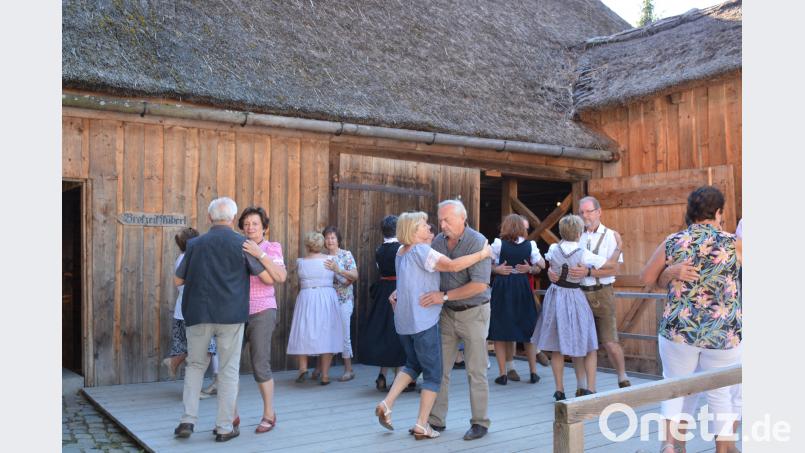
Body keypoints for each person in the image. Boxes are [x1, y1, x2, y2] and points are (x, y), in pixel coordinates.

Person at [641, 186, 742, 453]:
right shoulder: (734, 244)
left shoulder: (673, 241)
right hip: (723, 333)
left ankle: (670, 447)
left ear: (690, 211)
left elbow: (646, 279)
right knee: (720, 394)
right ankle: (723, 450)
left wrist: (669, 271)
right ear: (719, 212)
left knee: (674, 389)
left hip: (678, 332)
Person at [374, 211, 492, 440]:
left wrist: (402, 292)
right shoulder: (423, 250)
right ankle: (422, 424)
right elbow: (453, 266)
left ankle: (387, 403)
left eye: (441, 221)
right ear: (413, 230)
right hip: (424, 321)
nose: (433, 227)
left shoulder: (401, 251)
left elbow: (410, 279)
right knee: (434, 375)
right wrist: (483, 253)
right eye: (425, 224)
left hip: (407, 322)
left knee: (413, 364)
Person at [173, 197, 269, 442]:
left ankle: (187, 420)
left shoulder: (194, 245)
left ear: (209, 218)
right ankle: (225, 427)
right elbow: (263, 275)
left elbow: (177, 280)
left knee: (195, 366)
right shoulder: (243, 244)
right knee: (228, 371)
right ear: (234, 219)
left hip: (198, 314)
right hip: (231, 315)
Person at [423, 199, 493, 441]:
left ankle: (480, 423)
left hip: (474, 312)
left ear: (462, 219)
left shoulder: (477, 241)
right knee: (440, 368)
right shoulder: (438, 242)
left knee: (476, 370)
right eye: (440, 220)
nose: (442, 225)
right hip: (446, 313)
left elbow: (479, 285)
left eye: (446, 220)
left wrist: (443, 296)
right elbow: (428, 271)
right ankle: (435, 420)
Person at [531, 214, 621, 401]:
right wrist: (618, 247)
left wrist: (550, 271)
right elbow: (610, 264)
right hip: (574, 296)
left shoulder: (554, 248)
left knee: (557, 347)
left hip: (555, 296)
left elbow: (550, 262)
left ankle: (559, 389)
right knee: (588, 343)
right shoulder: (583, 253)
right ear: (579, 232)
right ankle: (591, 388)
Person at [549, 196, 630, 396]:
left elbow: (616, 270)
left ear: (599, 212)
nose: (585, 216)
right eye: (582, 212)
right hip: (578, 294)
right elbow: (559, 261)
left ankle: (622, 376)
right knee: (580, 341)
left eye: (589, 211)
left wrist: (589, 273)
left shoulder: (611, 235)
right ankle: (582, 386)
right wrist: (552, 273)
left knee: (610, 341)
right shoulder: (575, 234)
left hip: (602, 291)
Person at [238, 206, 287, 434]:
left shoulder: (272, 247)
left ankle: (269, 414)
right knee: (228, 366)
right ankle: (231, 414)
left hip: (263, 310)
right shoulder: (237, 247)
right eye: (246, 224)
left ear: (264, 227)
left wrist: (259, 254)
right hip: (236, 312)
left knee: (260, 364)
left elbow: (280, 277)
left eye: (255, 224)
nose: (250, 228)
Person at [489, 214, 545, 385]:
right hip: (522, 286)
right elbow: (542, 265)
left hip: (503, 286)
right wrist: (530, 268)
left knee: (500, 330)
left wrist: (496, 270)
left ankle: (502, 374)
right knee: (527, 329)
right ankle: (533, 372)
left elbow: (484, 263)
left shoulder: (498, 244)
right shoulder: (530, 245)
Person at [286, 232, 343, 385]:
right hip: (326, 297)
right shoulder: (330, 260)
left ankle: (303, 368)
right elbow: (342, 278)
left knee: (304, 330)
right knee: (327, 333)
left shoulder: (301, 262)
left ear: (307, 245)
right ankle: (325, 375)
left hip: (307, 297)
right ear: (321, 244)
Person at [360, 215, 407, 392]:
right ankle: (398, 379)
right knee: (397, 332)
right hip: (398, 290)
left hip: (382, 291)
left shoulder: (379, 250)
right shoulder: (402, 249)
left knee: (384, 332)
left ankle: (382, 375)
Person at [322, 226, 359, 382]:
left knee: (344, 334)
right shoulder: (322, 257)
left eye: (333, 238)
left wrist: (339, 269)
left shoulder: (346, 255)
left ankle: (348, 369)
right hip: (327, 301)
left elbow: (354, 276)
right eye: (327, 237)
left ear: (338, 240)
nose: (330, 240)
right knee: (326, 334)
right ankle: (322, 370)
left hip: (344, 300)